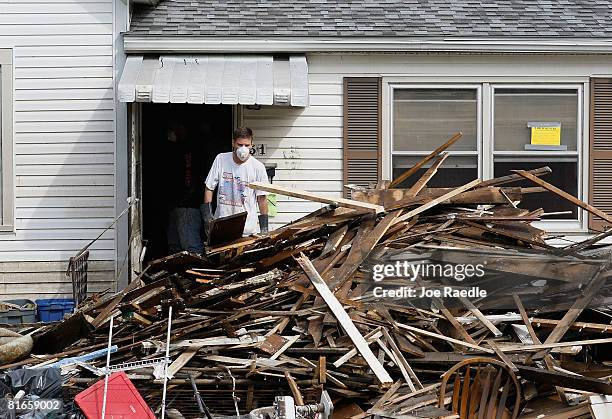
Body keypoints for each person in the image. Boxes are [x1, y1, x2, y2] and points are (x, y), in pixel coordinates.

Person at [201, 127, 270, 237]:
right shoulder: (221, 159)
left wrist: (264, 228)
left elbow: (262, 198)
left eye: (247, 145)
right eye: (240, 144)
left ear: (252, 144)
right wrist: (207, 218)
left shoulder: (258, 167)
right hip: (221, 227)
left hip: (247, 230)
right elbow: (209, 188)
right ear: (233, 143)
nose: (243, 149)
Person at [165, 120, 205, 254]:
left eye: (174, 128)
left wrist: (186, 198)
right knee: (176, 246)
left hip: (187, 205)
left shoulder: (189, 148)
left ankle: (196, 272)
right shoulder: (180, 148)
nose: (171, 133)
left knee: (191, 247)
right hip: (179, 204)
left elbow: (189, 175)